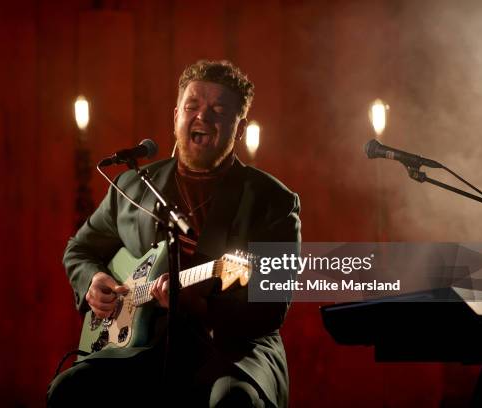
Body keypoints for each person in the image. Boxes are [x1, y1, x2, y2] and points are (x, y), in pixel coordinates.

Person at [47, 60, 301, 407]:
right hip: (141, 342)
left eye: (218, 110)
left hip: (233, 349)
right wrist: (92, 281)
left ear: (239, 128)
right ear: (176, 116)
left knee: (234, 401)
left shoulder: (274, 201)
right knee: (72, 389)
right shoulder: (131, 185)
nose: (202, 117)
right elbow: (80, 250)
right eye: (192, 106)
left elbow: (270, 310)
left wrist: (197, 305)